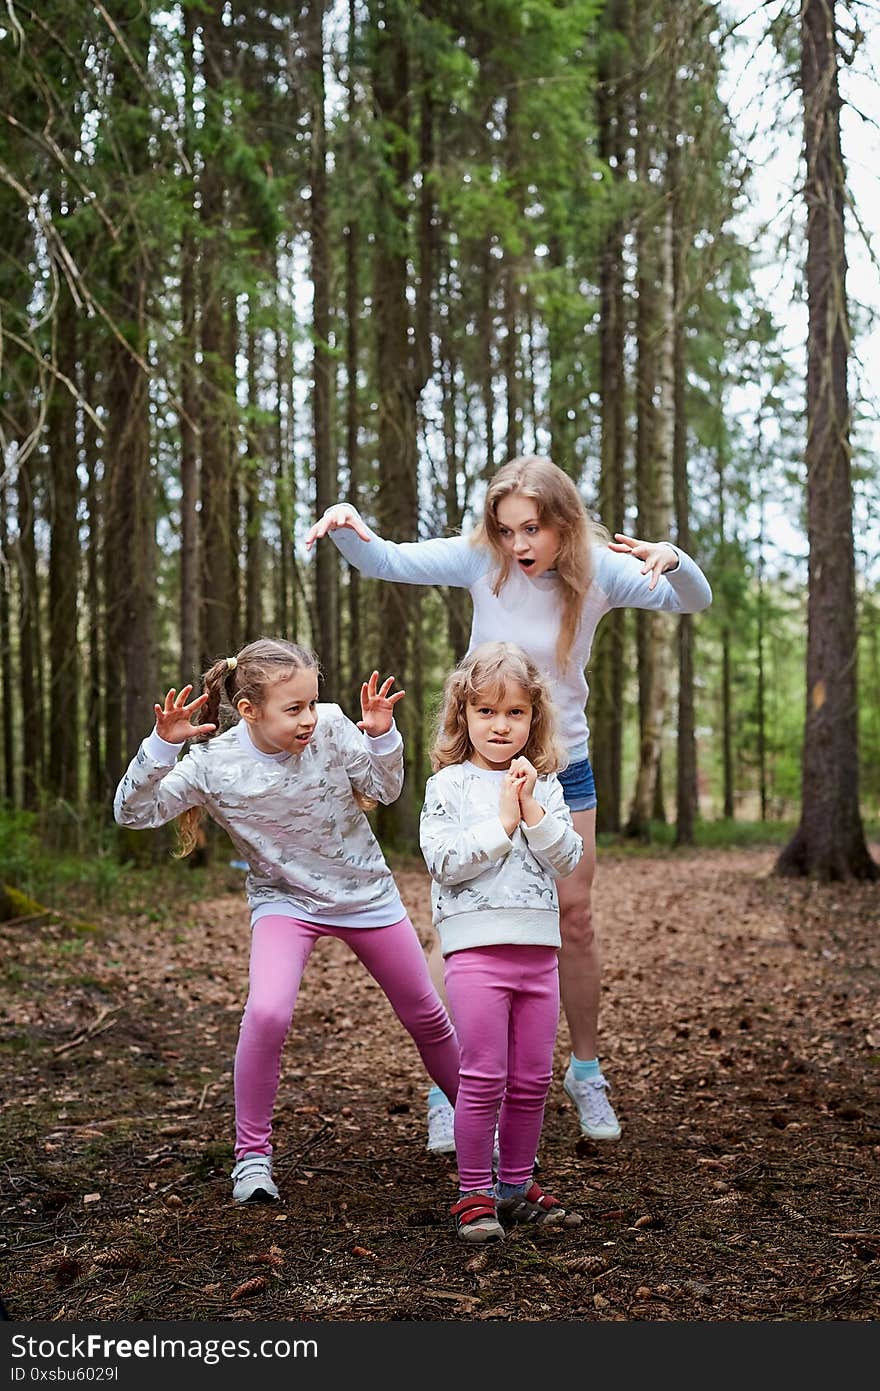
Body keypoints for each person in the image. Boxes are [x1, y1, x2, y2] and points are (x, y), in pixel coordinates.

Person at [306, 455, 713, 1151]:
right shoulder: (481, 559)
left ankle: (585, 1072)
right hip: (477, 769)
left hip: (564, 765)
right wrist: (347, 526)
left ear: (564, 522)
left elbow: (691, 600)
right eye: (506, 529)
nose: (518, 545)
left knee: (575, 917)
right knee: (460, 918)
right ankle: (449, 1085)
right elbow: (388, 560)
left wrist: (673, 557)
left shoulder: (602, 568)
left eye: (532, 528)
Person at [113, 638, 460, 1204]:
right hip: (284, 901)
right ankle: (251, 1158)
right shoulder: (213, 763)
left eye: (311, 703)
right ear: (249, 710)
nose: (308, 718)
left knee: (426, 1013)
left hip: (364, 893)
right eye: (292, 708)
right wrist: (160, 747)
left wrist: (381, 735)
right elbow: (132, 813)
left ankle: (480, 1128)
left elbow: (385, 788)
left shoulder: (330, 724)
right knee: (268, 1012)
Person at [420, 642, 584, 1242]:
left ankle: (515, 1185)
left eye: (515, 713)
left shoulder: (548, 787)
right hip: (477, 956)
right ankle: (473, 1192)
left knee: (534, 1078)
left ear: (533, 720)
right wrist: (503, 824)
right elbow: (443, 861)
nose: (500, 725)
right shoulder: (448, 787)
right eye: (486, 712)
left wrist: (533, 811)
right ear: (463, 716)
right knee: (483, 1076)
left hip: (539, 956)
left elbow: (568, 859)